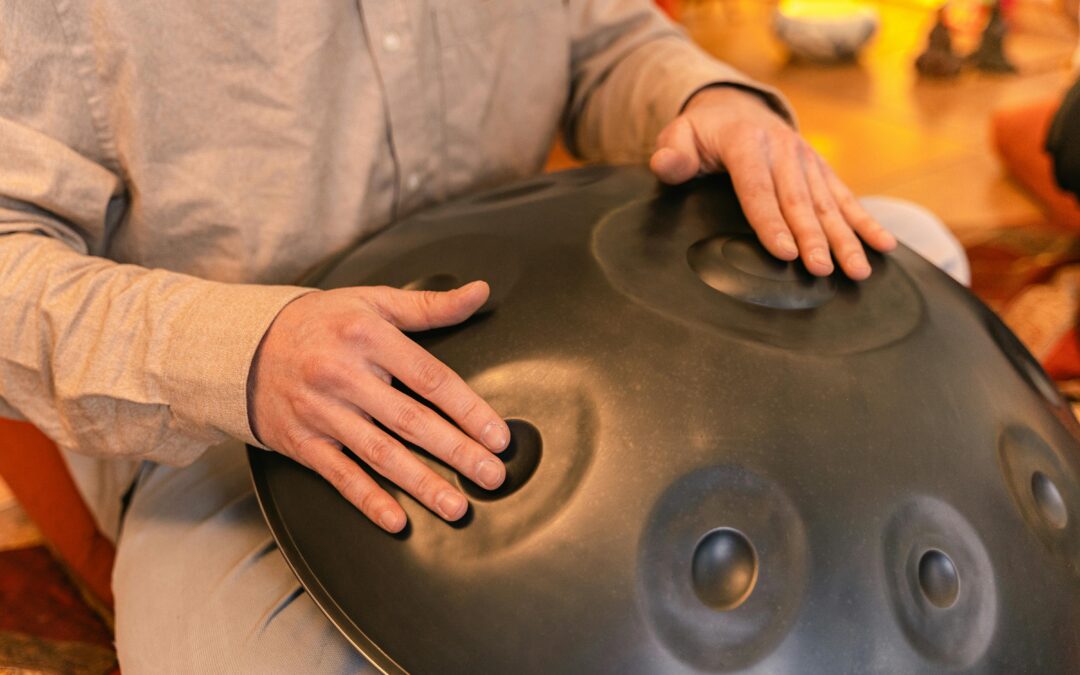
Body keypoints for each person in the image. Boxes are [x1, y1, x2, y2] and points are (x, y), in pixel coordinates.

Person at [0, 1, 967, 671]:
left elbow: (601, 41)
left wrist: (708, 102)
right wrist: (249, 356)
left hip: (542, 310)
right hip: (244, 424)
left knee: (910, 257)